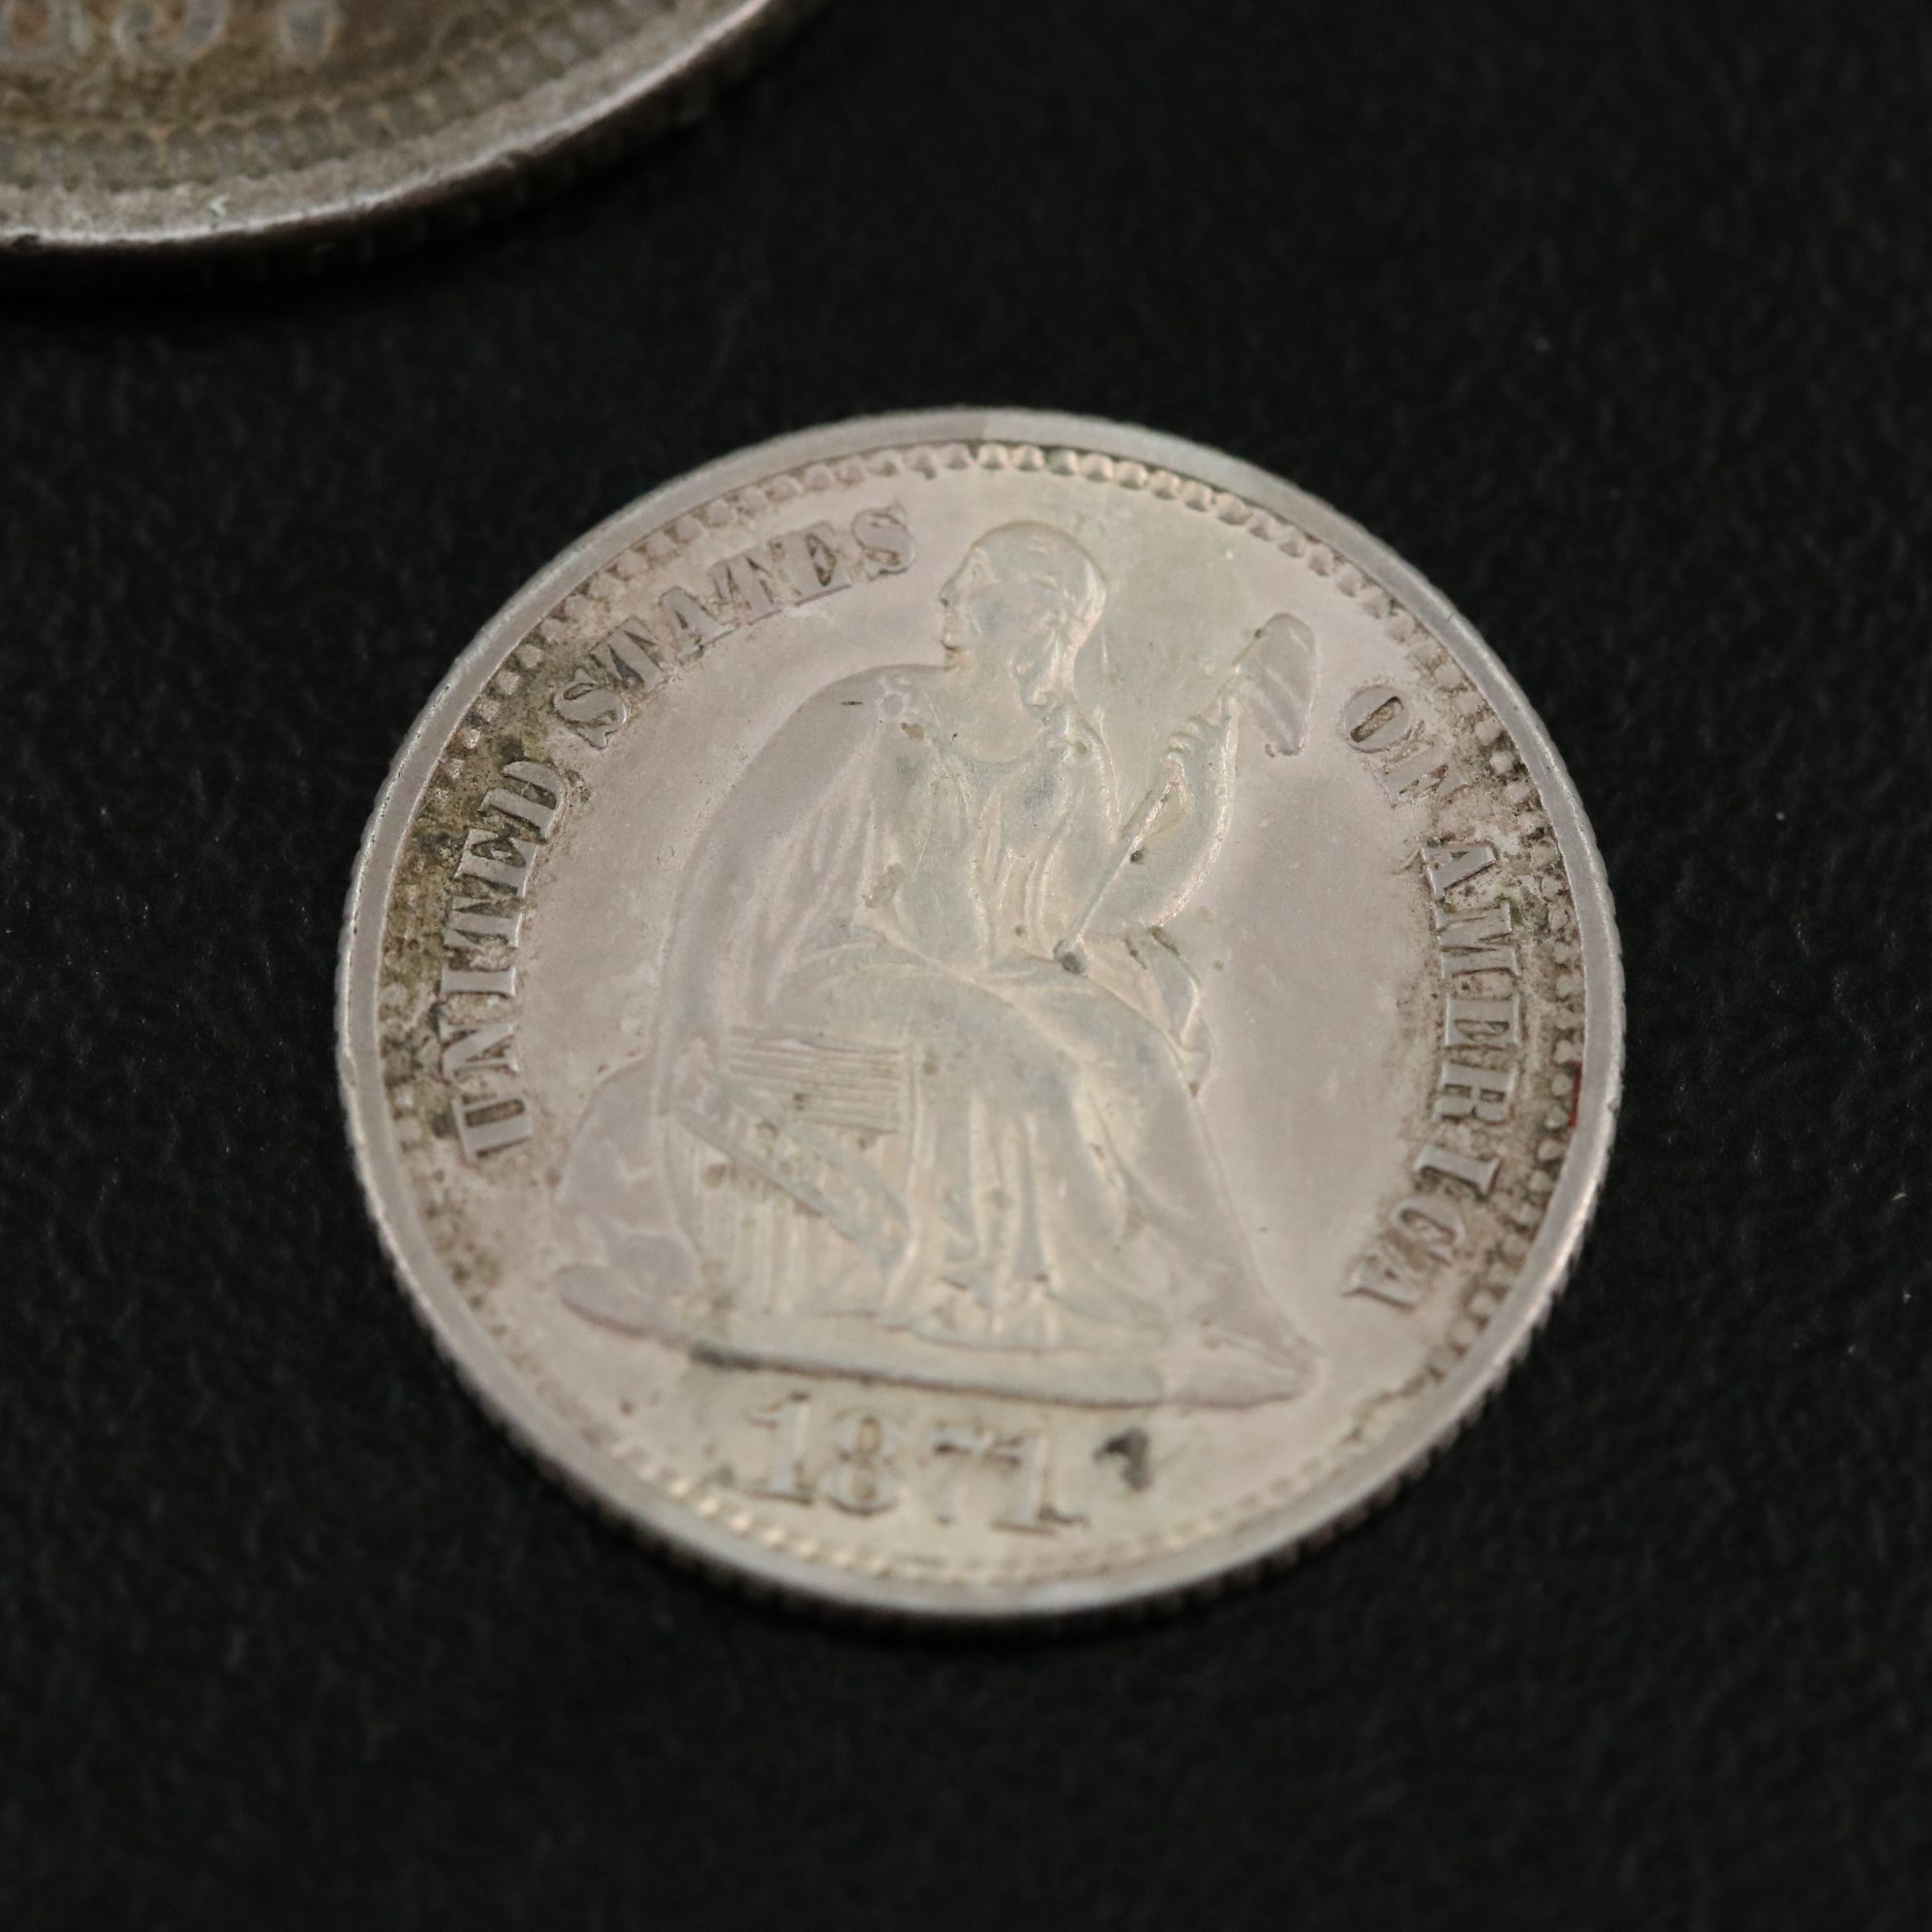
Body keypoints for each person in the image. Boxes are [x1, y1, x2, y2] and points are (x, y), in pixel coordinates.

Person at [553, 522, 1317, 1408]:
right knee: (1036, 1075)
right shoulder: (873, 706)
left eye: (981, 580)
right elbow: (739, 855)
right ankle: (1099, 1309)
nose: (952, 593)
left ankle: (1233, 1307)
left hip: (992, 967)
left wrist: (1204, 805)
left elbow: (1095, 913)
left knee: (1140, 1058)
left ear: (1039, 615)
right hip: (845, 962)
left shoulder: (1068, 748)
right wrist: (688, 1005)